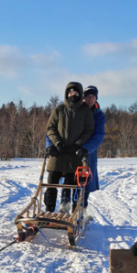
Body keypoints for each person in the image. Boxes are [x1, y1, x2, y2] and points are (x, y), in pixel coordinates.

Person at [46, 85, 106, 213]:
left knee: (84, 182)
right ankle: (65, 206)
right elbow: (52, 130)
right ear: (82, 97)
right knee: (68, 179)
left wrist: (83, 147)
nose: (90, 99)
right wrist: (52, 145)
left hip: (87, 152)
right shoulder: (68, 110)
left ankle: (80, 209)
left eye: (93, 96)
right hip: (67, 152)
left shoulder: (98, 115)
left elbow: (97, 135)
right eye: (87, 96)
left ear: (96, 98)